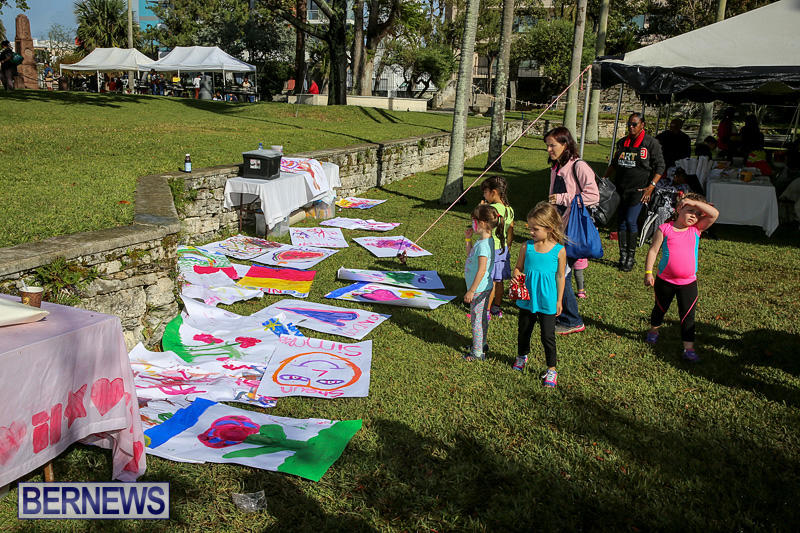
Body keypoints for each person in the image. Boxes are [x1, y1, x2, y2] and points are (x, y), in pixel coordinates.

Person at [643, 193, 719, 362]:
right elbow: (653, 251)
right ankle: (654, 331)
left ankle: (688, 348)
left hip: (688, 283)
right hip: (665, 281)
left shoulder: (696, 230)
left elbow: (714, 214)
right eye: (690, 210)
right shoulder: (665, 229)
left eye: (698, 213)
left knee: (688, 316)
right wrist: (648, 272)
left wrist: (693, 202)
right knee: (660, 308)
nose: (694, 216)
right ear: (679, 209)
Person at [545, 126, 599, 335]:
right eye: (547, 145)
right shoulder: (556, 167)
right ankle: (561, 313)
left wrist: (562, 198)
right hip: (557, 227)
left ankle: (572, 320)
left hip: (572, 229)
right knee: (558, 271)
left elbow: (593, 196)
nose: (549, 149)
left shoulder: (579, 166)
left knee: (562, 273)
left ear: (565, 144)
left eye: (552, 145)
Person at [602, 113, 665, 272]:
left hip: (639, 190)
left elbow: (660, 167)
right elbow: (614, 164)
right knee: (621, 222)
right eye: (629, 124)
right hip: (620, 189)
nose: (631, 127)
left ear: (642, 125)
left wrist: (651, 187)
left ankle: (631, 257)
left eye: (634, 124)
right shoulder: (622, 142)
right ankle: (622, 256)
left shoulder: (651, 143)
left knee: (631, 220)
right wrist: (603, 179)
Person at [512, 202, 566, 388]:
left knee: (547, 336)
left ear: (549, 228)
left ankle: (551, 369)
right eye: (530, 228)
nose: (531, 232)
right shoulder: (526, 247)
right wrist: (516, 274)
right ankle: (522, 356)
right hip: (527, 298)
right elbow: (518, 267)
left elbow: (560, 276)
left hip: (547, 299)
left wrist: (559, 300)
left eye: (535, 229)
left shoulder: (559, 251)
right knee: (524, 330)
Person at [463, 204, 501, 362]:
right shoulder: (485, 241)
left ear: (483, 223)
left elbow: (481, 270)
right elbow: (470, 256)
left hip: (478, 289)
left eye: (474, 221)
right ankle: (482, 344)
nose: (472, 224)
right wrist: (468, 240)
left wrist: (472, 290)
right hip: (483, 287)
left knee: (476, 321)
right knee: (482, 317)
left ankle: (477, 353)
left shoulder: (484, 246)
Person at [480, 176, 514, 319]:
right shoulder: (509, 209)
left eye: (485, 192)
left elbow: (480, 224)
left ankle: (485, 311)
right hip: (503, 249)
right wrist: (508, 246)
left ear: (493, 192)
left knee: (490, 282)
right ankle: (496, 307)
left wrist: (481, 209)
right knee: (498, 281)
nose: (484, 195)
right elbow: (511, 229)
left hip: (491, 249)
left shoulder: (491, 209)